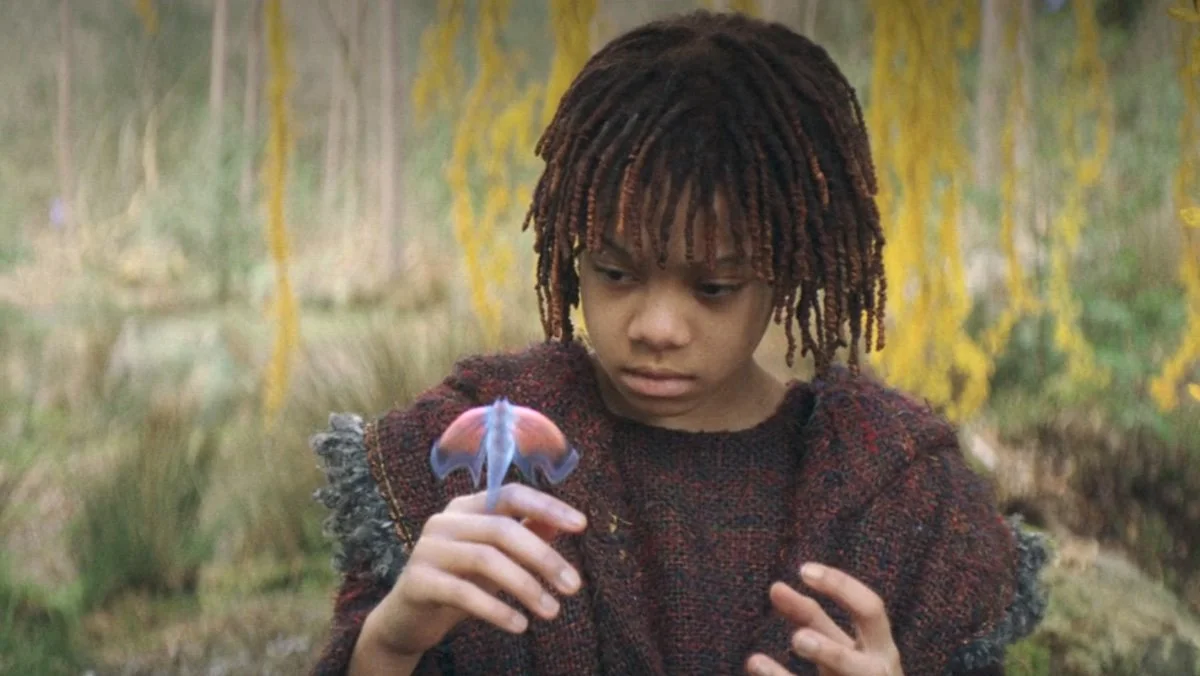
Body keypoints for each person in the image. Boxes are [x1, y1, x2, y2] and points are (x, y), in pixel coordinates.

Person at [309, 10, 1048, 676]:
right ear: (573, 253)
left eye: (714, 287)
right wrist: (393, 641)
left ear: (786, 272)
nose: (656, 327)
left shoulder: (899, 492)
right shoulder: (472, 452)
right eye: (617, 272)